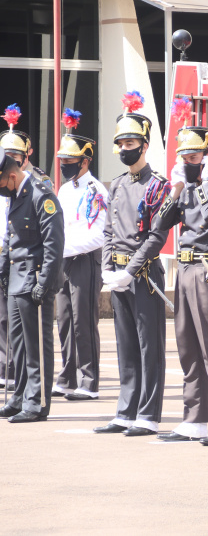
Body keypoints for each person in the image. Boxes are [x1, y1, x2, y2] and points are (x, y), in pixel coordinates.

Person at [155, 125, 208, 446]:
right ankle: (194, 419)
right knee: (188, 346)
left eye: (193, 156)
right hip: (185, 268)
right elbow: (159, 223)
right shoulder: (186, 189)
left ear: (207, 156)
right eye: (183, 157)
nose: (187, 162)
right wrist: (176, 191)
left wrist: (205, 181)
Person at [95, 104, 170, 437]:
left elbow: (156, 236)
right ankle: (125, 411)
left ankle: (148, 414)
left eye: (131, 143)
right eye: (121, 144)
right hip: (120, 275)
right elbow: (109, 231)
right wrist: (108, 269)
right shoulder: (118, 185)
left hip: (145, 275)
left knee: (148, 347)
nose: (125, 149)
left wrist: (131, 270)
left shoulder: (159, 186)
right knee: (125, 345)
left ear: (144, 144)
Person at [0, 141, 64, 423]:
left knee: (37, 344)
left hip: (35, 279)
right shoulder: (15, 194)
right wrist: (3, 269)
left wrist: (46, 283)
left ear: (11, 175)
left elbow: (54, 244)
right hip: (16, 278)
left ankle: (37, 402)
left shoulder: (41, 195)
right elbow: (10, 237)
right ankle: (20, 395)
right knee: (19, 343)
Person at [52, 132, 107, 401]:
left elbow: (100, 234)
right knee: (64, 320)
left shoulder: (96, 191)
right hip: (64, 261)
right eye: (62, 160)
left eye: (69, 160)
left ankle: (89, 380)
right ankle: (68, 376)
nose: (64, 165)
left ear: (84, 162)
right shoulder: (64, 189)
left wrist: (66, 249)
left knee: (83, 322)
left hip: (85, 261)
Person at [0, 105, 32, 387]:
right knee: (1, 319)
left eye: (13, 156)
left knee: (19, 326)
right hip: (3, 258)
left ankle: (17, 375)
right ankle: (4, 368)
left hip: (21, 261)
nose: (8, 160)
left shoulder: (35, 186)